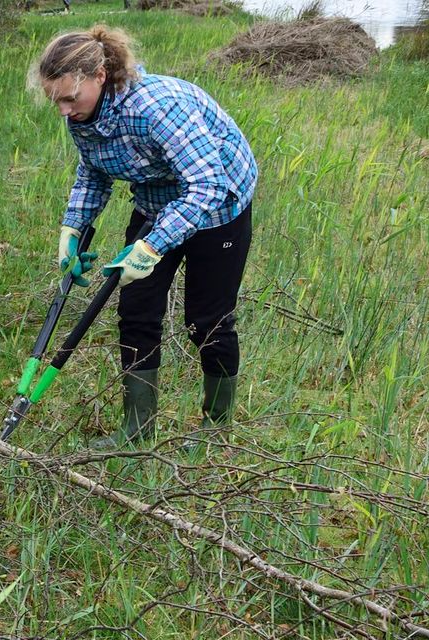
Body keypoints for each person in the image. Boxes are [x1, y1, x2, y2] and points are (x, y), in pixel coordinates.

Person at [35, 25, 256, 447]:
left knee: (206, 321)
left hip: (220, 204)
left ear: (100, 76)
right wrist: (73, 228)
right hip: (156, 202)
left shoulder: (158, 107)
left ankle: (216, 429)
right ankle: (136, 429)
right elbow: (93, 172)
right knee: (136, 312)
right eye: (55, 100)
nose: (63, 110)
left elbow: (207, 186)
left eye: (69, 98)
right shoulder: (83, 115)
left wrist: (152, 246)